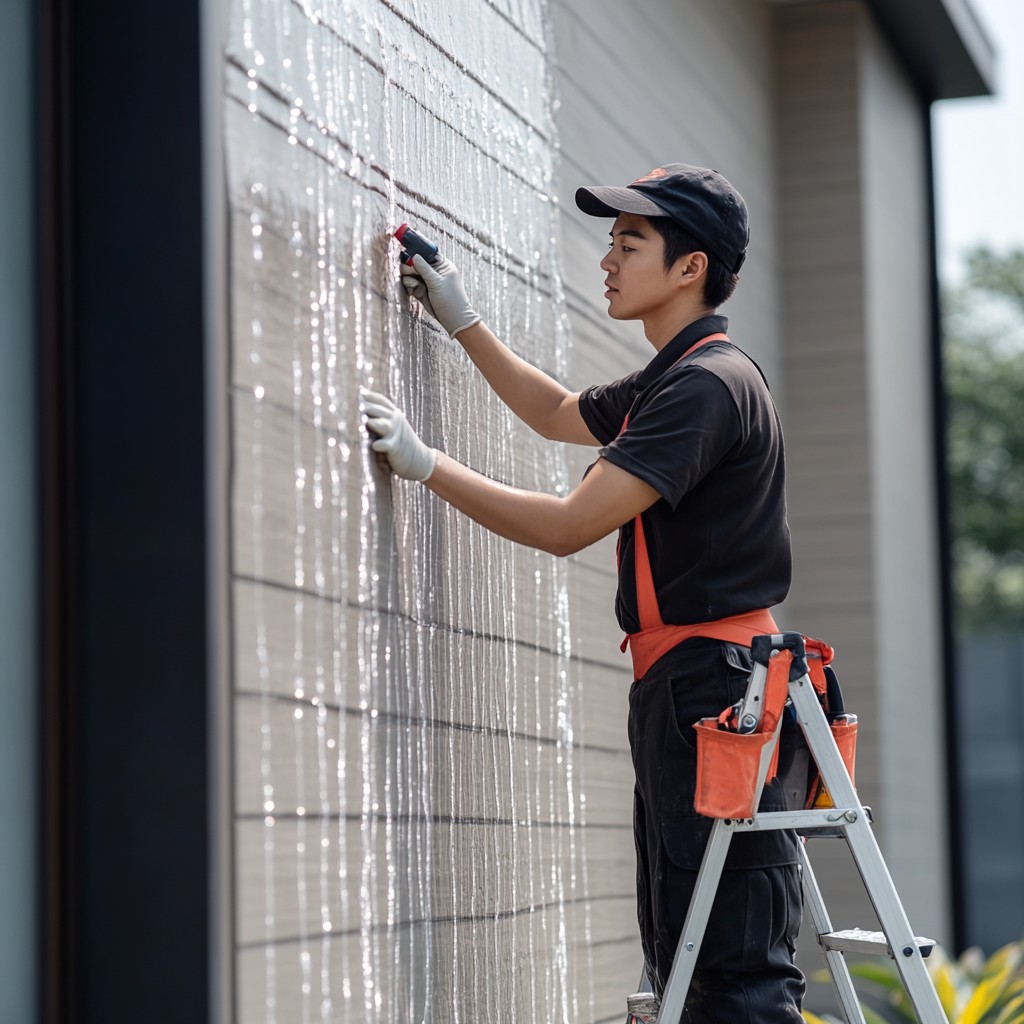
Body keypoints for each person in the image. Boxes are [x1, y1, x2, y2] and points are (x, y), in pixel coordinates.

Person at [362, 164, 805, 1023]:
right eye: (611, 240)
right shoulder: (681, 375)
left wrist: (426, 467)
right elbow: (560, 411)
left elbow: (572, 524)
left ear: (691, 268)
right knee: (689, 947)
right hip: (695, 685)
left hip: (716, 689)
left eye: (629, 243)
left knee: (731, 965)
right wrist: (462, 320)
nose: (608, 258)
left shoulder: (707, 387)